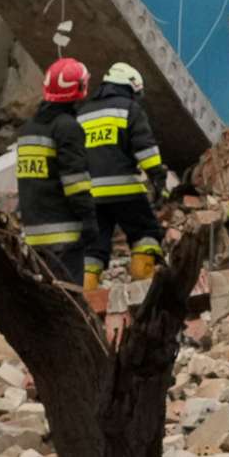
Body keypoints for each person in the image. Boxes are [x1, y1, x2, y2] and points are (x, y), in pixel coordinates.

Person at [12, 60, 99, 295]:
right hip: (64, 236)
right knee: (69, 300)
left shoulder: (29, 129)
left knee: (47, 301)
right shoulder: (67, 128)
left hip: (35, 236)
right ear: (79, 89)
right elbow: (75, 181)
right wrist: (89, 220)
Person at [78, 61, 167, 289]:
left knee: (94, 246)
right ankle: (143, 282)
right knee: (146, 233)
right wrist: (158, 179)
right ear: (130, 87)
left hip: (90, 194)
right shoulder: (129, 109)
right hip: (125, 190)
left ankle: (87, 296)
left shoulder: (84, 113)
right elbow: (145, 149)